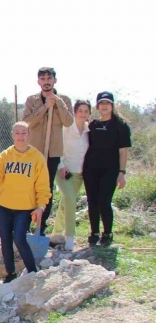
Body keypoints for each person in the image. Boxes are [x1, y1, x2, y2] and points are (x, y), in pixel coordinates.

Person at [0, 122, 50, 283]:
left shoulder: (37, 158)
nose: (20, 136)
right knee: (5, 240)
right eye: (17, 133)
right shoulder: (6, 155)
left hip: (25, 208)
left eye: (23, 133)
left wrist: (41, 206)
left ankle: (32, 270)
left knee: (19, 238)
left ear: (29, 135)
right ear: (12, 135)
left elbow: (43, 186)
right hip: (5, 206)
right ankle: (10, 273)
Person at [23, 67, 74, 236]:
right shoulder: (32, 100)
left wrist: (57, 103)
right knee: (30, 187)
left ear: (54, 80)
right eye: (43, 78)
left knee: (47, 189)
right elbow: (27, 123)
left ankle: (41, 226)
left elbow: (68, 122)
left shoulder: (64, 100)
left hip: (52, 153)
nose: (46, 81)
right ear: (38, 82)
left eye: (49, 78)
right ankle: (28, 222)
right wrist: (45, 107)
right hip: (34, 152)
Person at [83, 92, 131, 247]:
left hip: (110, 170)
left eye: (107, 103)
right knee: (92, 201)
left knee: (104, 200)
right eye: (101, 103)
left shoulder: (120, 125)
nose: (104, 106)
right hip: (91, 169)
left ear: (112, 106)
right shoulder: (93, 125)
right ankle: (94, 233)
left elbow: (123, 151)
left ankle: (108, 233)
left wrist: (122, 173)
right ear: (97, 106)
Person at [52, 100, 91, 251]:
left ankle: (56, 232)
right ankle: (70, 237)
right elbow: (57, 147)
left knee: (65, 202)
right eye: (80, 111)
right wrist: (61, 166)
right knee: (70, 199)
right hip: (64, 171)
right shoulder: (67, 128)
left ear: (89, 114)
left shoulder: (89, 131)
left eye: (86, 111)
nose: (83, 114)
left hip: (80, 174)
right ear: (74, 112)